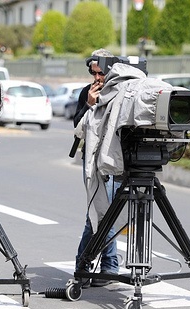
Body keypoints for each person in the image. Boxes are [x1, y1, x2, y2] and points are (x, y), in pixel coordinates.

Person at [73, 49, 119, 287]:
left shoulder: (120, 91)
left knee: (106, 214)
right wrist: (90, 105)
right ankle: (95, 266)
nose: (98, 78)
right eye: (94, 73)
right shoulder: (86, 92)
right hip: (92, 158)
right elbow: (77, 126)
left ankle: (100, 266)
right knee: (98, 213)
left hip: (115, 160)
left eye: (101, 73)